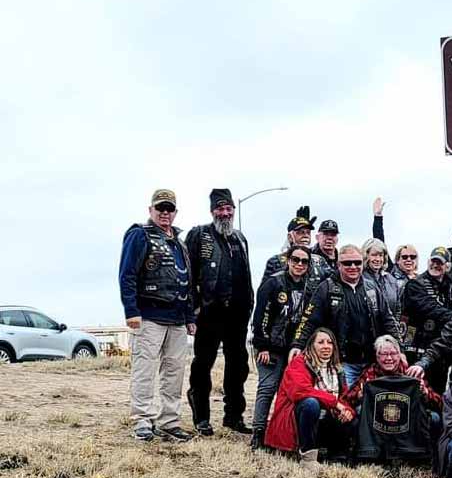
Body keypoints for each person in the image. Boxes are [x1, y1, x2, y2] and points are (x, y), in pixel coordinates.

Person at [118, 189, 196, 442]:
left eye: (169, 209)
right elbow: (127, 274)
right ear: (150, 210)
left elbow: (186, 281)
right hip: (149, 316)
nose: (165, 213)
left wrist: (189, 317)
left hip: (176, 319)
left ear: (175, 212)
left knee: (174, 371)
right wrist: (131, 311)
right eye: (160, 208)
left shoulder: (180, 244)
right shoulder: (139, 235)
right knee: (145, 368)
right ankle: (142, 418)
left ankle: (169, 421)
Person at [185, 188, 254, 436]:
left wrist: (249, 305)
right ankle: (201, 416)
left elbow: (246, 273)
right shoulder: (198, 235)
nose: (225, 213)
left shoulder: (240, 238)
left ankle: (234, 416)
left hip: (237, 313)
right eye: (220, 209)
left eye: (229, 209)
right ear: (212, 211)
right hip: (209, 312)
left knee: (238, 366)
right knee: (203, 364)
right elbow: (189, 274)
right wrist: (192, 308)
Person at [292, 244, 399, 388]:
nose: (353, 266)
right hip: (341, 363)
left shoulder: (372, 288)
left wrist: (400, 350)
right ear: (338, 265)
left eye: (357, 262)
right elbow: (309, 321)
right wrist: (297, 345)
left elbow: (388, 320)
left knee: (370, 405)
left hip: (371, 362)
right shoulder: (326, 289)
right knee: (345, 404)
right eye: (347, 263)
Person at [250, 244, 318, 449]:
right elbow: (260, 316)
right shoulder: (273, 283)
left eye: (304, 261)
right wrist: (262, 346)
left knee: (289, 393)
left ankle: (281, 434)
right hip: (271, 347)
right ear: (288, 260)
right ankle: (258, 432)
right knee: (267, 388)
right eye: (295, 260)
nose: (299, 264)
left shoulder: (311, 287)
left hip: (295, 349)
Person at [264, 328, 355, 469]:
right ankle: (307, 457)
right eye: (321, 342)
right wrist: (335, 403)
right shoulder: (299, 363)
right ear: (312, 345)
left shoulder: (337, 368)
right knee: (311, 403)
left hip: (323, 421)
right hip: (297, 421)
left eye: (330, 342)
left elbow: (345, 398)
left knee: (350, 415)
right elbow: (300, 391)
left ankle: (338, 455)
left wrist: (348, 410)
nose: (326, 346)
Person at [400, 247, 452, 390]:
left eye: (440, 263)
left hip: (439, 348)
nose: (436, 265)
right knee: (414, 388)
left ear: (447, 266)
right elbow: (427, 306)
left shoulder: (451, 287)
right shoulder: (415, 284)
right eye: (433, 261)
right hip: (415, 345)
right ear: (428, 261)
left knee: (437, 392)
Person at [261, 206, 330, 284]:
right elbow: (265, 290)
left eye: (308, 232)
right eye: (300, 232)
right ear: (290, 237)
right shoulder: (276, 261)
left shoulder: (319, 260)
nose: (306, 235)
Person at [361, 238, 405, 339]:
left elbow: (398, 308)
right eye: (374, 255)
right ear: (366, 256)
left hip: (389, 335)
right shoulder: (359, 279)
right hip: (367, 336)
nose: (378, 259)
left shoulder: (391, 280)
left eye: (380, 255)